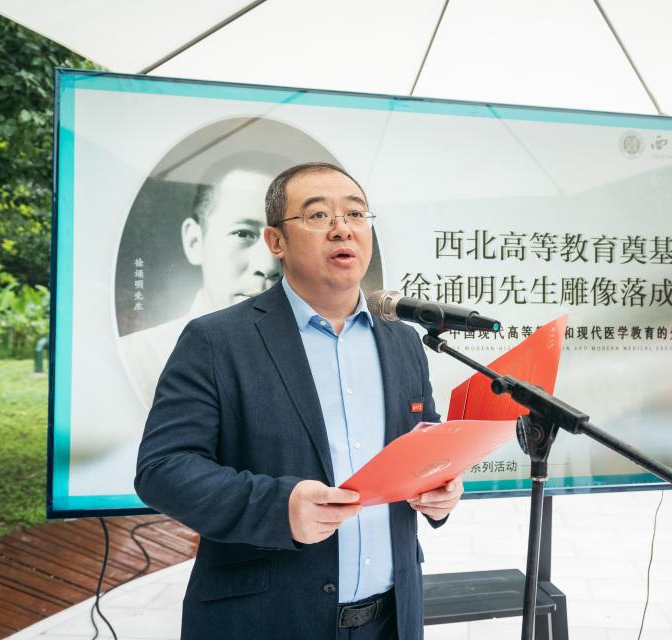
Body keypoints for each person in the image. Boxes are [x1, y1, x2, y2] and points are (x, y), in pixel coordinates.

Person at [134, 162, 463, 640]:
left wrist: (440, 490)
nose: (342, 229)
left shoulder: (403, 340)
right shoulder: (216, 340)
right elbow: (163, 469)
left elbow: (423, 445)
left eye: (355, 214)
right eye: (318, 215)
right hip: (267, 620)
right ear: (276, 242)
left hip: (391, 618)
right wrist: (279, 507)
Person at [119, 152, 283, 407]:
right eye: (243, 233)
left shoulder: (314, 354)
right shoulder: (136, 359)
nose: (268, 266)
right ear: (194, 240)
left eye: (283, 239)